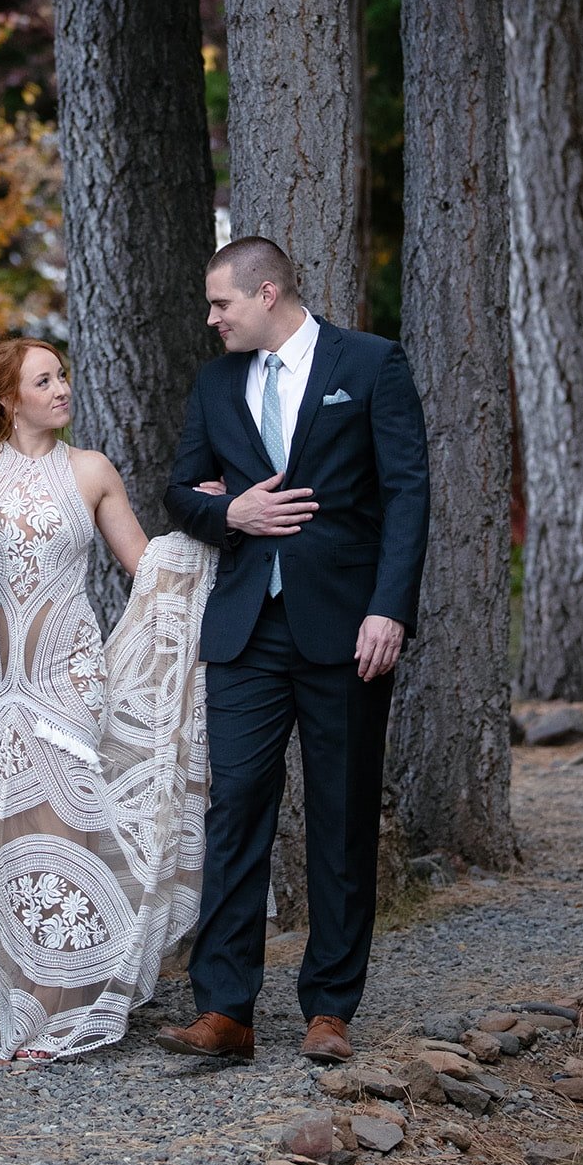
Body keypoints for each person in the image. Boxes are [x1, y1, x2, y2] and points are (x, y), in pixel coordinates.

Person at [158, 236, 430, 1066]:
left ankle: (330, 1009)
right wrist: (229, 513)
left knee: (342, 814)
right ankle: (225, 1009)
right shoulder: (217, 383)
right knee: (235, 806)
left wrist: (389, 609)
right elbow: (179, 490)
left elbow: (407, 491)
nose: (212, 319)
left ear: (267, 292)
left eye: (222, 304)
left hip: (347, 628)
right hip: (246, 628)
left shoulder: (371, 363)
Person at [0, 336, 215, 1061]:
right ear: (9, 399)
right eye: (43, 380)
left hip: (66, 679)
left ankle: (55, 1016)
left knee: (57, 840)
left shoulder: (91, 470)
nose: (61, 388)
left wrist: (212, 524)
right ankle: (16, 999)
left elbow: (144, 564)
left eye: (61, 375)